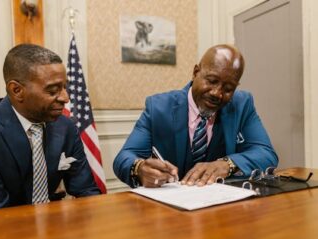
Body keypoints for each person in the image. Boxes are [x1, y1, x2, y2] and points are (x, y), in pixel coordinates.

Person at [0, 44, 101, 216]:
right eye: (53, 90)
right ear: (17, 90)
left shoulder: (65, 127)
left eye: (64, 87)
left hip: (42, 230)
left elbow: (87, 192)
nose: (65, 97)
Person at [113, 44, 278, 188]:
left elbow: (266, 153)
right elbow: (124, 158)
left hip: (224, 208)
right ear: (195, 72)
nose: (217, 94)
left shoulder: (243, 104)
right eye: (212, 81)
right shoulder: (158, 107)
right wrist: (139, 168)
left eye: (228, 88)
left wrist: (228, 164)